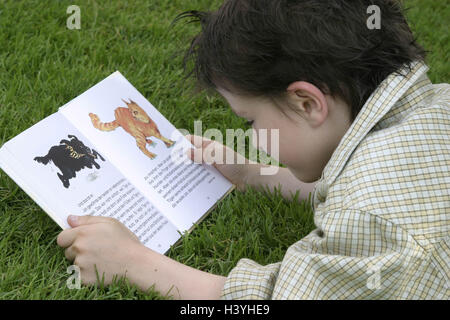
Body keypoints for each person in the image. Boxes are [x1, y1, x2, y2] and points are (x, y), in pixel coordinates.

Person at [57, 0, 449, 299]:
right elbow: (352, 188)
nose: (253, 135)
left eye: (250, 122)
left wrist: (134, 263)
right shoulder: (431, 111)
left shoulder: (373, 217)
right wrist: (248, 174)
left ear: (307, 103)